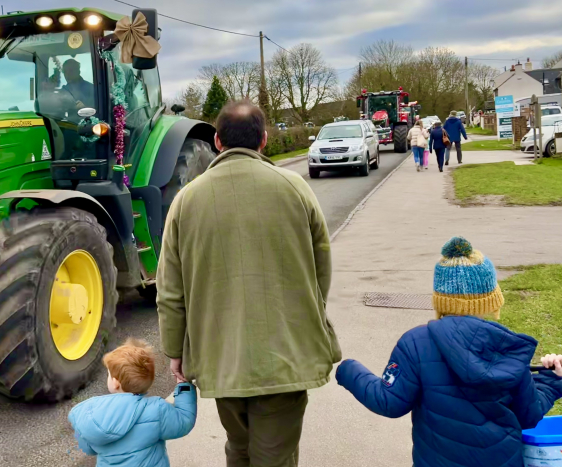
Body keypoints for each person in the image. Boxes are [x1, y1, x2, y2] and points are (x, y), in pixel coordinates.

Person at [157, 100, 340, 467]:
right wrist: (310, 315)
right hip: (284, 356)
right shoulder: (294, 187)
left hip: (220, 356)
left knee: (239, 446)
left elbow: (170, 290)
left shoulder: (185, 200)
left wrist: (175, 350)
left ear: (217, 141)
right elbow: (321, 265)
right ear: (265, 140)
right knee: (273, 456)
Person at [336, 236, 562, 467]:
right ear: (492, 300)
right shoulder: (506, 347)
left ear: (440, 300)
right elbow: (528, 415)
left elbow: (389, 402)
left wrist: (349, 370)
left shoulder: (416, 342)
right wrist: (552, 379)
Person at [68, 339, 197, 467]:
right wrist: (184, 386)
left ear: (115, 383)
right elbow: (184, 421)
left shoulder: (92, 414)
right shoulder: (156, 410)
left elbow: (88, 448)